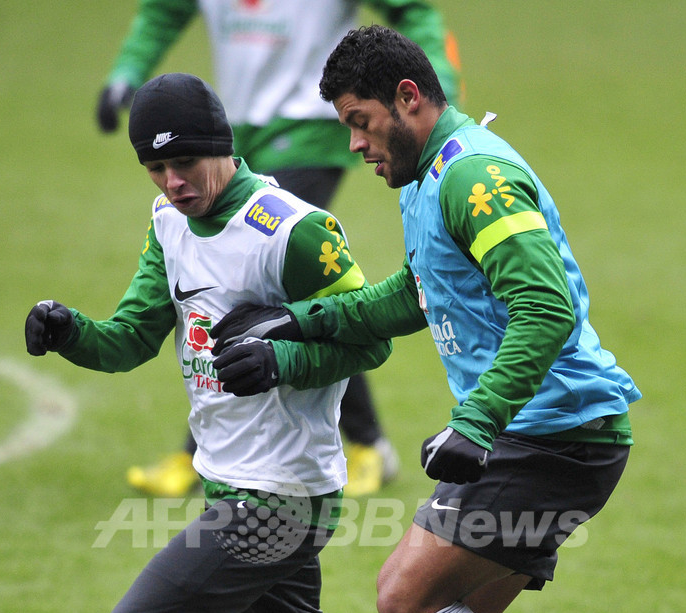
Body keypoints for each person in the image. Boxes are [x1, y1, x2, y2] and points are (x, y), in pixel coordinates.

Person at [23, 72, 493, 613]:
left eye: (186, 164)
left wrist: (282, 359)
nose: (173, 182)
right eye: (155, 169)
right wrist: (71, 335)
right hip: (231, 484)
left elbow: (368, 342)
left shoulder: (293, 231)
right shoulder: (169, 223)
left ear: (223, 146)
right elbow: (131, 338)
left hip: (284, 496)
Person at [212, 26, 642, 613]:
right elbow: (415, 294)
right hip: (550, 434)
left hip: (552, 434)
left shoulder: (472, 176)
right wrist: (301, 323)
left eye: (361, 122)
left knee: (405, 597)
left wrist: (476, 424)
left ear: (408, 97)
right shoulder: (428, 178)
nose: (355, 144)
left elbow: (544, 307)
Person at [96, 0, 460, 499]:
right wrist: (127, 71)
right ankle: (355, 442)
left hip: (310, 125)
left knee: (283, 273)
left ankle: (353, 444)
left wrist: (438, 91)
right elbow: (164, 10)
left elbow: (413, 10)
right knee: (274, 290)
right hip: (231, 129)